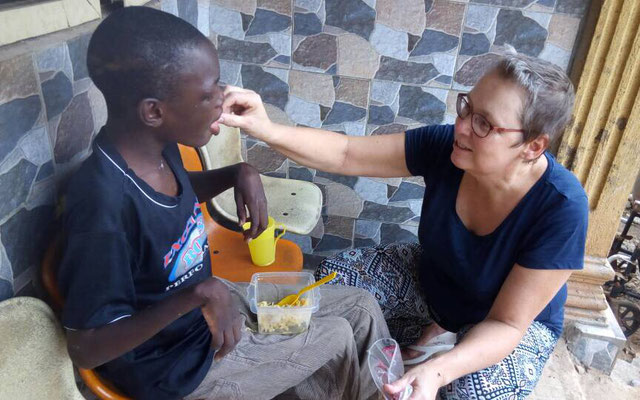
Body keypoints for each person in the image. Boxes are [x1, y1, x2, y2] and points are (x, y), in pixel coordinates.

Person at [57, 7, 389, 400]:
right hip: (176, 368)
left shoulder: (158, 150)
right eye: (207, 93)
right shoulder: (101, 205)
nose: (221, 99)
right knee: (334, 337)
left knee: (361, 306)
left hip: (207, 311)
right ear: (153, 111)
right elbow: (86, 346)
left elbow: (170, 201)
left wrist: (237, 173)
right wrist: (198, 295)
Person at [218, 52, 588, 399]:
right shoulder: (448, 146)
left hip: (506, 323)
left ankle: (432, 352)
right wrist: (265, 128)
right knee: (336, 284)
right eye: (466, 108)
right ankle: (363, 381)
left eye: (484, 124)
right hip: (437, 280)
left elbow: (507, 324)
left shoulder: (561, 208)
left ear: (533, 146)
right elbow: (347, 153)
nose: (461, 127)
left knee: (476, 389)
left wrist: (438, 372)